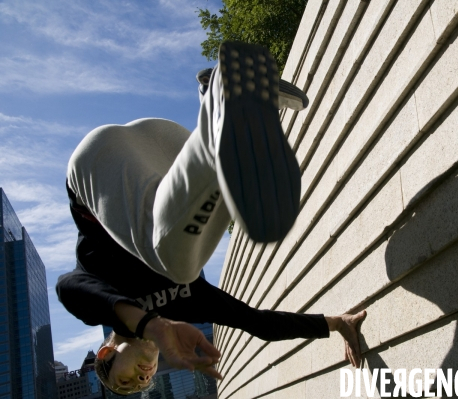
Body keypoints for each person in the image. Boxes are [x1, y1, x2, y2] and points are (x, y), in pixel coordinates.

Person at [56, 41, 367, 395]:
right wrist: (337, 325)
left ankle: (223, 104)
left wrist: (150, 325)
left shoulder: (95, 300)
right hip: (166, 146)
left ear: (107, 351)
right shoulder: (188, 303)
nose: (141, 378)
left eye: (124, 379)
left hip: (94, 169)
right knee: (230, 212)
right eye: (143, 383)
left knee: (178, 262)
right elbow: (259, 323)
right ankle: (216, 107)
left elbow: (67, 287)